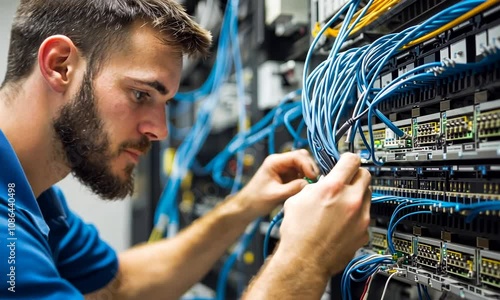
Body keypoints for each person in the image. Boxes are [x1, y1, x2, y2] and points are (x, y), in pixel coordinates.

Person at [0, 0, 372, 299]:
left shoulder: (33, 197)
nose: (160, 130)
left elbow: (119, 286)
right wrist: (306, 259)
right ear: (60, 65)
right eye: (140, 94)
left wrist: (246, 205)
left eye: (164, 102)